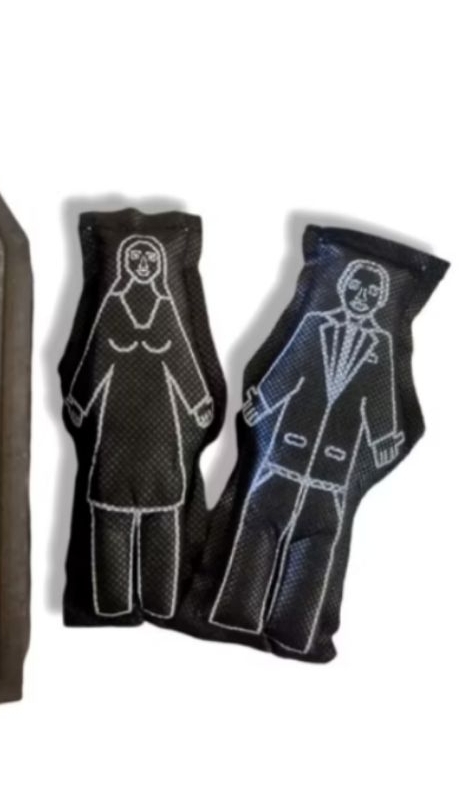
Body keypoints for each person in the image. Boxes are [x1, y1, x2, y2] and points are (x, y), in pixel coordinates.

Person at [210, 258, 404, 653]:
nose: (362, 297)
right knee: (257, 528)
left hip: (331, 475)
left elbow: (379, 397)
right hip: (283, 460)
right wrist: (262, 404)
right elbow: (289, 370)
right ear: (344, 287)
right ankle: (233, 615)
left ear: (381, 298)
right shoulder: (315, 324)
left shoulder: (380, 344)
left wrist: (383, 438)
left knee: (316, 548)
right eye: (356, 287)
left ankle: (294, 632)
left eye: (372, 293)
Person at [66, 234, 213, 618]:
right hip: (115, 419)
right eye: (137, 259)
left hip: (161, 421)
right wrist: (79, 402)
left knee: (163, 508)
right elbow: (94, 359)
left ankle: (161, 602)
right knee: (111, 505)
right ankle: (111, 603)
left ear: (159, 266)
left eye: (150, 260)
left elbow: (181, 359)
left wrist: (198, 403)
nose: (144, 266)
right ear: (127, 265)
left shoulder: (166, 307)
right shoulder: (113, 304)